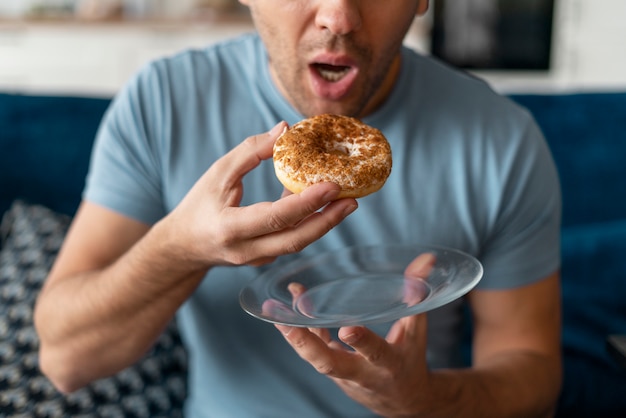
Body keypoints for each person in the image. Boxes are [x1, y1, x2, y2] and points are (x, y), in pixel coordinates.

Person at [34, 1, 563, 417]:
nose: (338, 17)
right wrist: (180, 249)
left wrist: (422, 401)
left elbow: (534, 375)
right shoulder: (164, 101)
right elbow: (64, 361)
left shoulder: (502, 138)